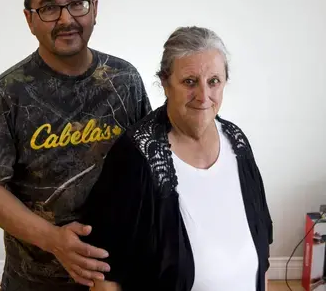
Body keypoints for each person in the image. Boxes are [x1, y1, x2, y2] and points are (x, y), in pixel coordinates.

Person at [0, 0, 151, 291]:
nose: (66, 19)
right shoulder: (6, 93)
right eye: (49, 7)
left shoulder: (125, 80)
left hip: (117, 274)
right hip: (35, 281)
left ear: (94, 9)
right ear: (29, 19)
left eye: (77, 3)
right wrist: (54, 240)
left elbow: (150, 163)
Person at [81, 26, 273, 291]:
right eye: (190, 82)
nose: (203, 96)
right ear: (165, 83)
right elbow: (106, 278)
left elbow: (260, 250)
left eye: (214, 81)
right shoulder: (134, 156)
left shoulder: (237, 142)